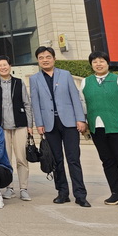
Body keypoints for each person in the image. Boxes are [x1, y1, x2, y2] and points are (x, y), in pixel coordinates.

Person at [29, 45, 91, 207]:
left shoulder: (65, 75)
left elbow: (75, 97)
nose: (45, 60)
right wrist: (39, 123)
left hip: (69, 123)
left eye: (48, 57)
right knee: (56, 160)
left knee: (73, 159)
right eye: (41, 58)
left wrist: (80, 119)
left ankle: (80, 195)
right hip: (50, 125)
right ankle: (62, 193)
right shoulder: (34, 79)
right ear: (38, 61)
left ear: (54, 59)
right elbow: (35, 102)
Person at [79, 51, 118, 209]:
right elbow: (83, 104)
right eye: (95, 62)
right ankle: (116, 193)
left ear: (108, 63)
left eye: (101, 61)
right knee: (107, 161)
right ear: (91, 65)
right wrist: (84, 122)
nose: (98, 64)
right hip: (97, 128)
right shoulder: (86, 82)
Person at [0, 55, 33, 201]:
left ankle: (23, 188)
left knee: (21, 158)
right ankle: (9, 188)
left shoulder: (19, 82)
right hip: (1, 128)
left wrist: (30, 125)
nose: (3, 67)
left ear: (10, 66)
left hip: (20, 126)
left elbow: (27, 104)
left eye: (5, 65)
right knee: (5, 159)